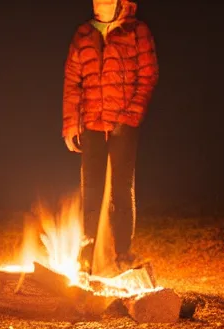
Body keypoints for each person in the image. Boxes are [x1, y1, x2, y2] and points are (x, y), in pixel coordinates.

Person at [62, 0, 158, 274]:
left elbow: (148, 74)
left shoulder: (136, 30)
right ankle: (89, 255)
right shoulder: (83, 34)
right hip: (91, 122)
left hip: (123, 122)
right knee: (90, 189)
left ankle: (123, 253)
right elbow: (72, 81)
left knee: (121, 187)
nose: (99, 2)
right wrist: (71, 124)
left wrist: (132, 115)